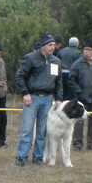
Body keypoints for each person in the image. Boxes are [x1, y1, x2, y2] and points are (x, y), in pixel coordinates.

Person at [14, 34, 63, 167]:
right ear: (42, 46)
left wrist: (58, 98)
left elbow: (59, 82)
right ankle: (21, 156)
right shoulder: (30, 58)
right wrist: (25, 94)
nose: (52, 47)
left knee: (42, 131)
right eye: (49, 45)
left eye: (53, 45)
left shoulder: (56, 61)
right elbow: (20, 76)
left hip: (47, 99)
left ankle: (38, 157)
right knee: (27, 129)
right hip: (33, 98)